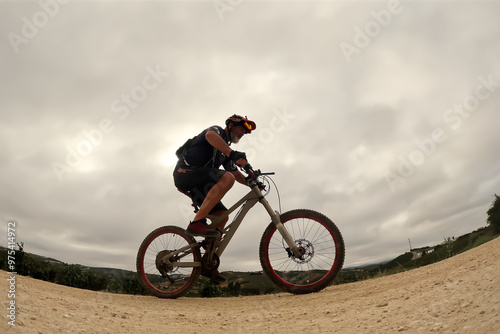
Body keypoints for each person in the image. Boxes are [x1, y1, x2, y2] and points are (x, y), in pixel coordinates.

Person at [173, 115, 256, 281]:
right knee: (227, 179)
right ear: (231, 125)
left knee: (222, 217)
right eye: (243, 128)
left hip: (199, 185)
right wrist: (232, 153)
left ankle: (208, 263)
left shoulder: (224, 152)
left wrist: (251, 182)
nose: (243, 133)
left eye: (246, 132)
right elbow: (209, 136)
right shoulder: (217, 132)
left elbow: (234, 172)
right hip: (185, 173)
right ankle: (196, 223)